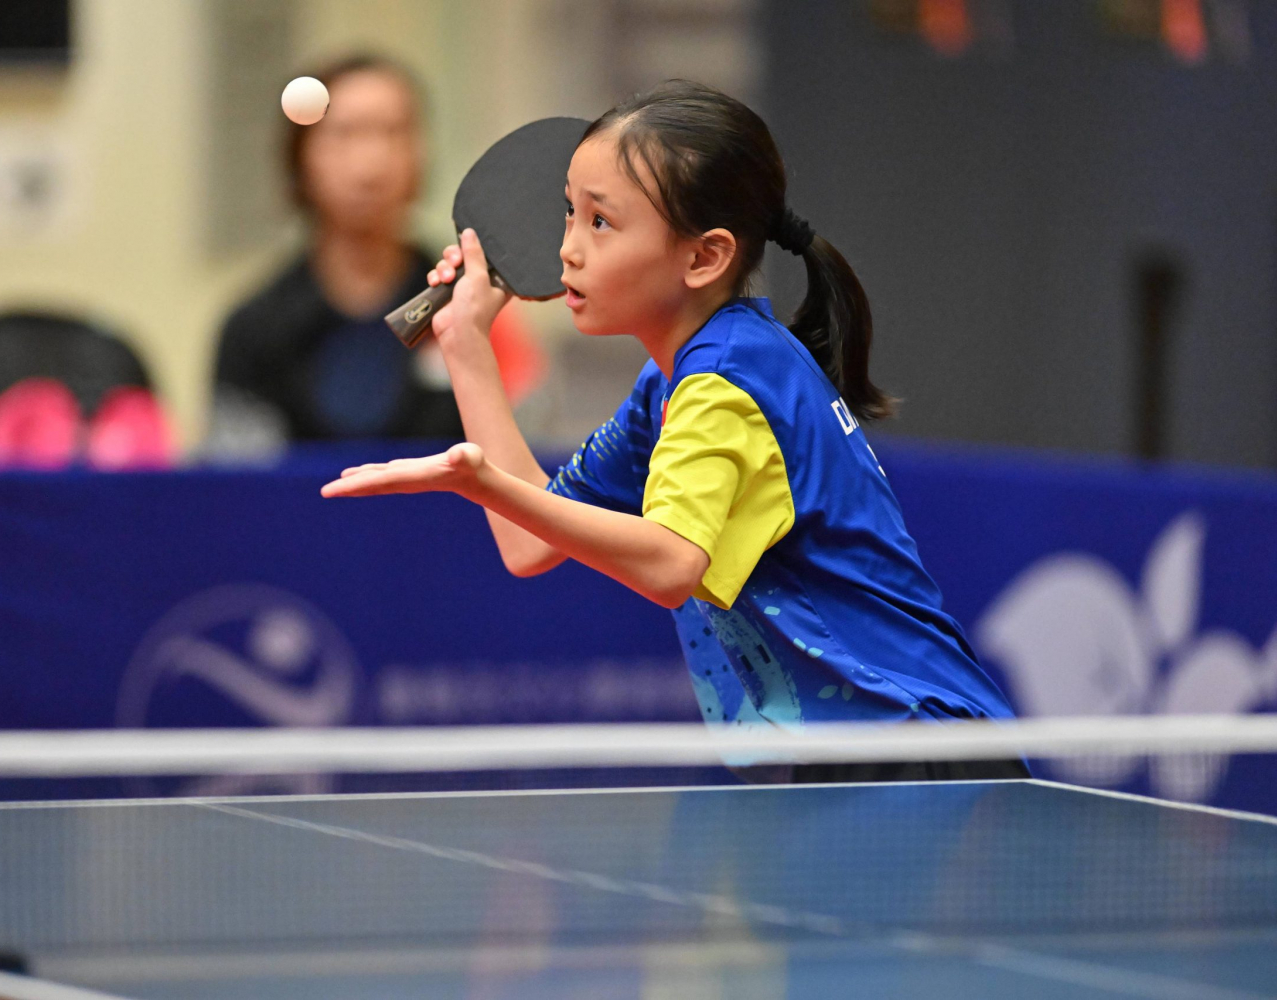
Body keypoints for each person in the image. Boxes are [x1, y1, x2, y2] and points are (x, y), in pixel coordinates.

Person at [322, 81, 1023, 782]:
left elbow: (669, 564)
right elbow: (530, 543)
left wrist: (480, 482)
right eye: (569, 211)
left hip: (912, 749)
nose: (568, 248)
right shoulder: (675, 382)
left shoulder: (725, 383)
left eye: (601, 222)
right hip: (864, 755)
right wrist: (466, 345)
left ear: (703, 257)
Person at [209, 54, 541, 452]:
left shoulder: (478, 308)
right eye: (344, 134)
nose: (371, 164)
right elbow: (239, 480)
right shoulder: (252, 331)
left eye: (393, 132)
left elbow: (531, 459)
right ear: (300, 157)